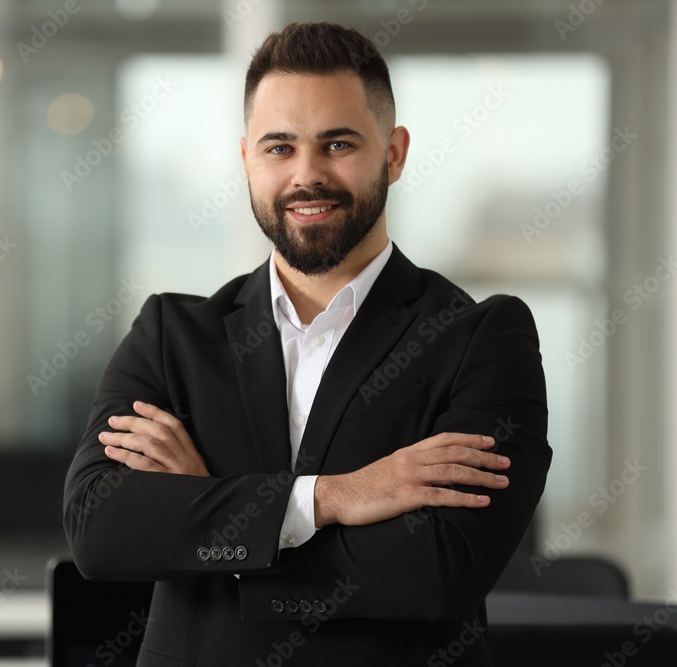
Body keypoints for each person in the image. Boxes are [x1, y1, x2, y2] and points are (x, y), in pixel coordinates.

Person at [63, 21, 551, 666]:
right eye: (279, 147)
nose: (307, 175)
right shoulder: (172, 337)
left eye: (338, 143)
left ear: (394, 154)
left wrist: (215, 517)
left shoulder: (482, 339)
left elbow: (439, 570)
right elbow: (101, 531)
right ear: (246, 160)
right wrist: (335, 497)